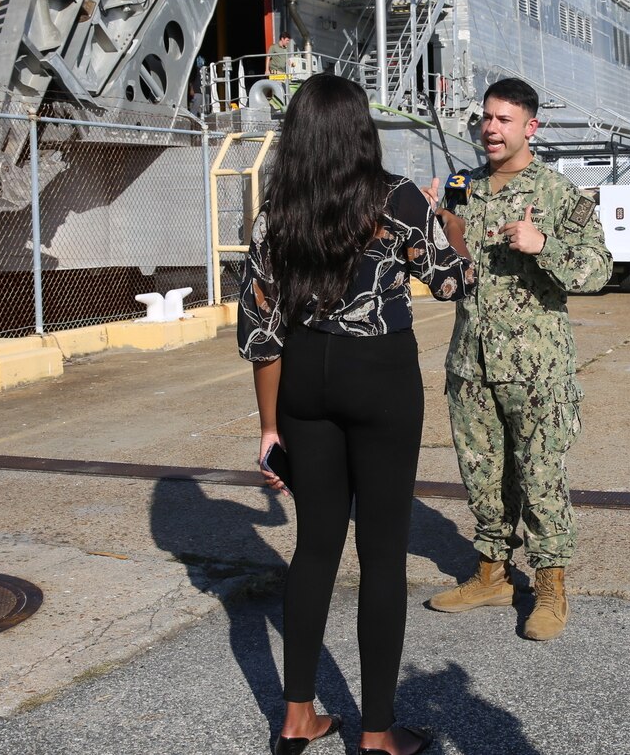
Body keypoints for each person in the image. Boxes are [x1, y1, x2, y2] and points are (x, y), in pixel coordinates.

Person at [237, 74, 472, 755]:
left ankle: (297, 716)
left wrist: (269, 427)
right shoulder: (395, 196)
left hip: (305, 376)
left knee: (313, 547)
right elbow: (453, 277)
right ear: (362, 131)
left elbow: (259, 328)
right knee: (381, 554)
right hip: (381, 376)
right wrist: (450, 226)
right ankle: (376, 732)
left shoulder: (277, 211)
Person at [427, 77, 611, 641]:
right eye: (486, 117)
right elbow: (459, 271)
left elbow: (598, 270)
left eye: (504, 119)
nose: (490, 128)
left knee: (540, 476)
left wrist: (542, 245)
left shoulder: (559, 194)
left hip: (535, 368)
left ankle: (551, 583)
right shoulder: (464, 187)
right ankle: (492, 573)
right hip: (472, 363)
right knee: (482, 475)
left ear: (531, 126)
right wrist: (445, 226)